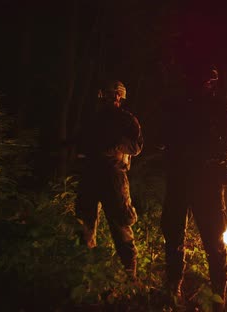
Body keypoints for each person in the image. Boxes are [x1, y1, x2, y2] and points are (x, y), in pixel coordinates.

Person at [158, 62, 227, 310]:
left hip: (207, 181)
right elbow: (161, 139)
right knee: (173, 235)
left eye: (208, 81)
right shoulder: (175, 106)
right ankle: (174, 286)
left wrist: (219, 155)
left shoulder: (219, 108)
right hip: (180, 178)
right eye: (201, 81)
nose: (204, 86)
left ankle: (218, 293)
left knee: (214, 239)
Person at [74, 80, 143, 279]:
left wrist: (114, 147)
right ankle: (84, 274)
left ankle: (130, 274)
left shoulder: (127, 120)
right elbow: (81, 143)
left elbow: (136, 147)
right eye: (104, 93)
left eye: (110, 94)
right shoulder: (93, 119)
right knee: (84, 222)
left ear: (118, 96)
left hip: (113, 175)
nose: (106, 97)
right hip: (90, 174)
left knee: (121, 223)